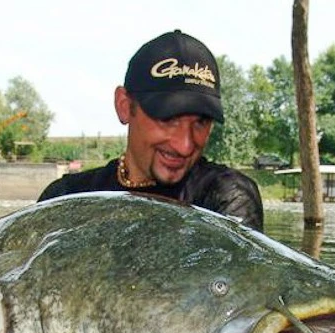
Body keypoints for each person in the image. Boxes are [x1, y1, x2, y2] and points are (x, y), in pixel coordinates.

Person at [37, 29, 264, 232]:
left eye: (201, 122)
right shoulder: (64, 198)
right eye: (168, 119)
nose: (185, 144)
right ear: (124, 106)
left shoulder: (226, 197)